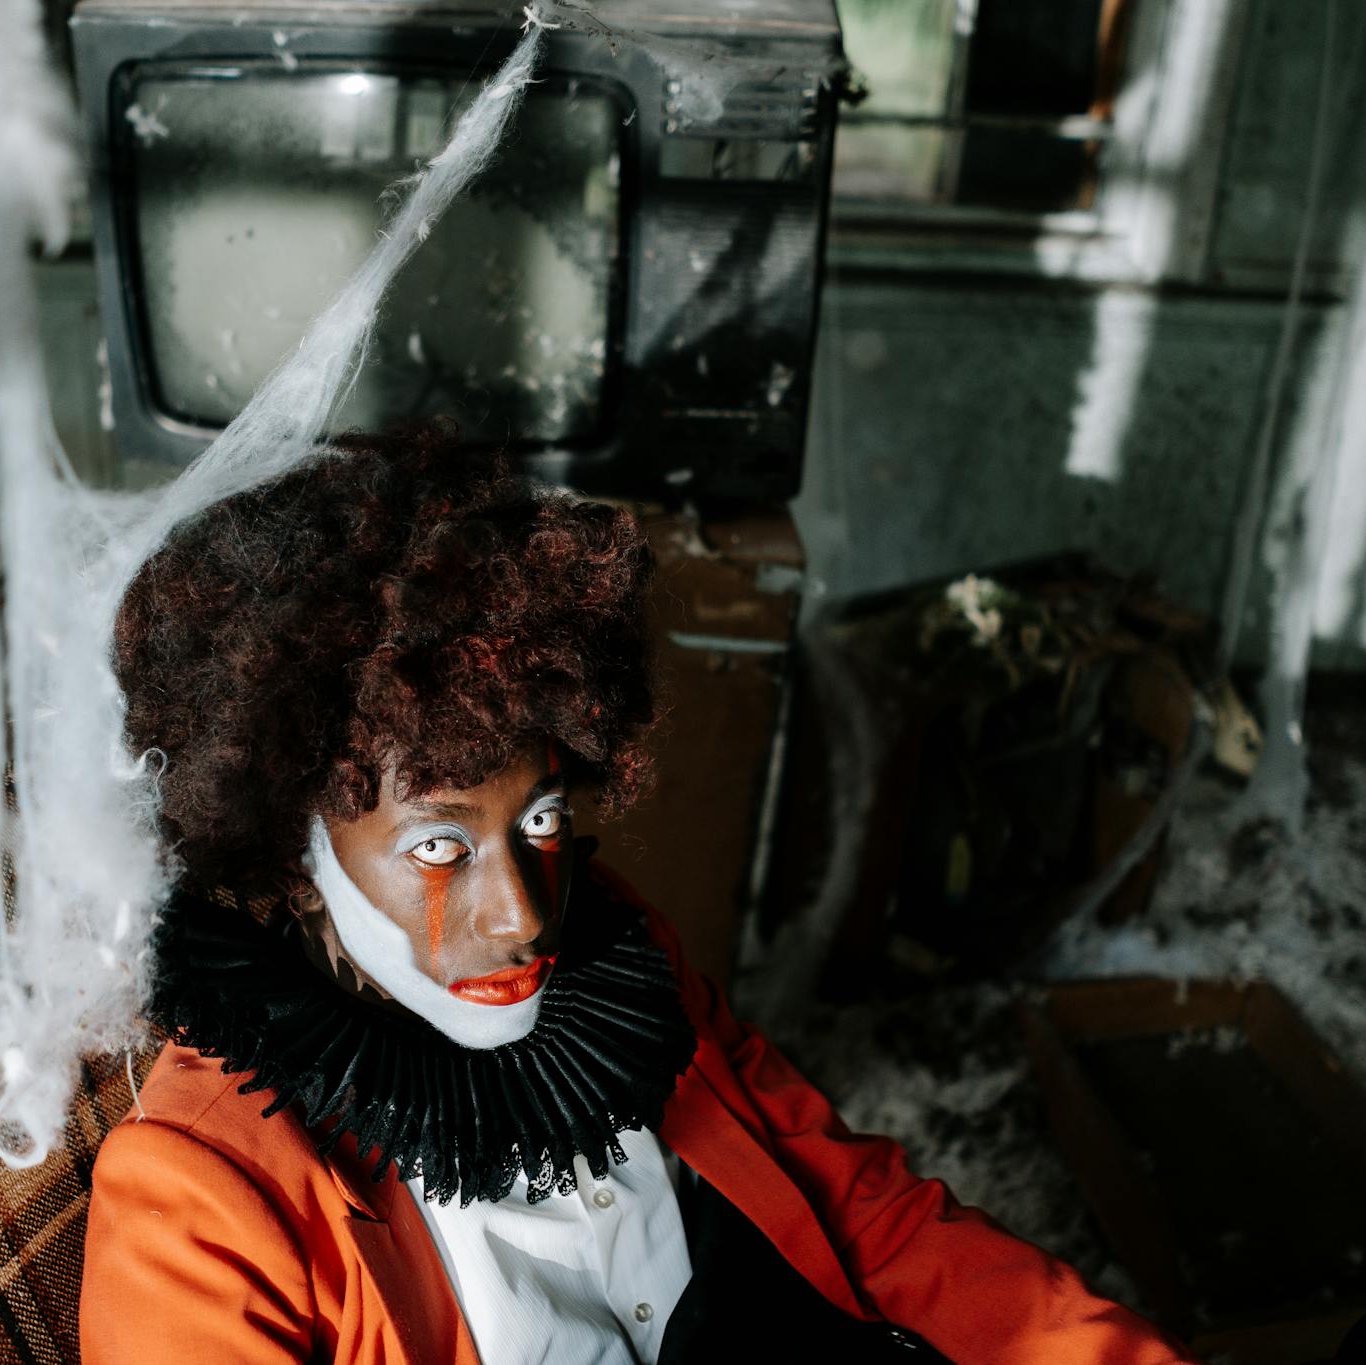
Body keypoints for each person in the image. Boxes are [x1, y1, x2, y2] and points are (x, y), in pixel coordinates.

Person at [79, 431, 1197, 1365]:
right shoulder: (203, 1194)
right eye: (435, 845)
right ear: (287, 860)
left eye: (541, 821)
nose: (521, 914)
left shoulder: (616, 951)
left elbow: (863, 1209)